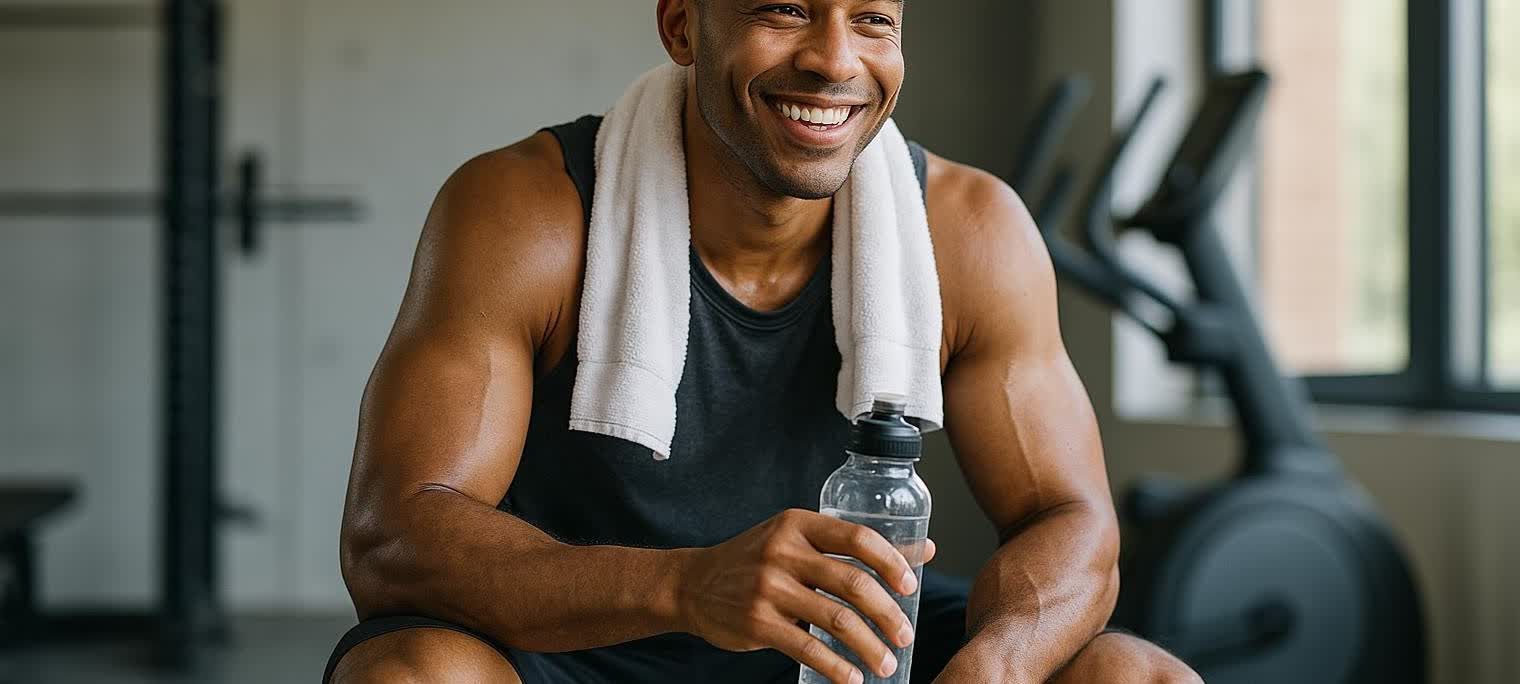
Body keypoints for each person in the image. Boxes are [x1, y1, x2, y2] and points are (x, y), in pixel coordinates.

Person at [327, 1, 1202, 682]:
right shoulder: (527, 211)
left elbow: (1073, 518)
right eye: (782, 11)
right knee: (410, 674)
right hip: (577, 647)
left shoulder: (971, 232)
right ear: (682, 25)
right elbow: (393, 538)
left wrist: (993, 669)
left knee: (1136, 675)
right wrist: (684, 586)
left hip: (848, 648)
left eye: (873, 21)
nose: (833, 60)